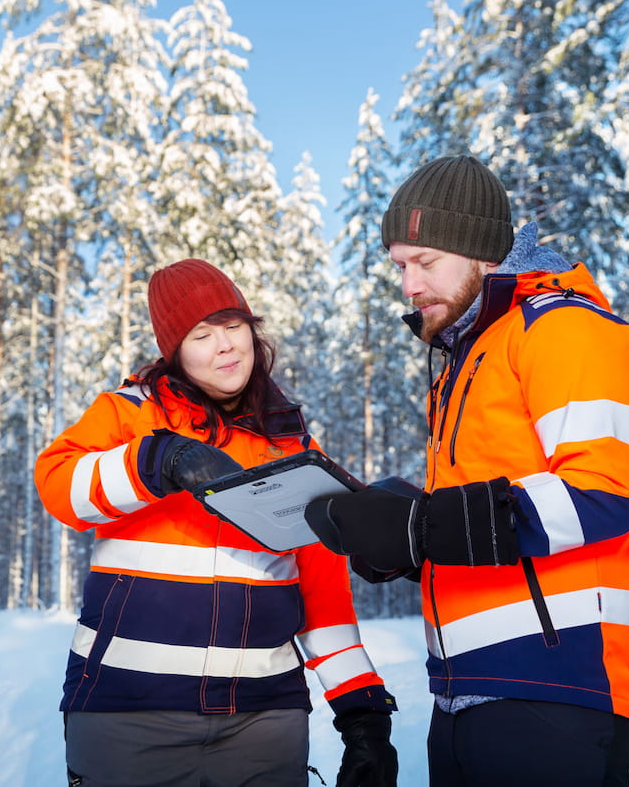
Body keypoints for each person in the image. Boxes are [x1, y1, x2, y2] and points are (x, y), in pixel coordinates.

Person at [305, 156, 629, 786]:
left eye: (425, 262)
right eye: (400, 266)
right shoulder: (471, 357)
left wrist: (421, 527)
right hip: (462, 693)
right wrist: (398, 537)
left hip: (556, 693)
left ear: (482, 254)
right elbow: (489, 522)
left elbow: (601, 495)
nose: (408, 285)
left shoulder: (565, 329)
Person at [35, 258, 400, 787]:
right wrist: (155, 460)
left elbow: (323, 597)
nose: (225, 344)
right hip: (128, 711)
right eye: (202, 334)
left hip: (264, 719)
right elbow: (58, 485)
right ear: (175, 352)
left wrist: (363, 714)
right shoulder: (129, 414)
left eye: (234, 327)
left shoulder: (290, 445)